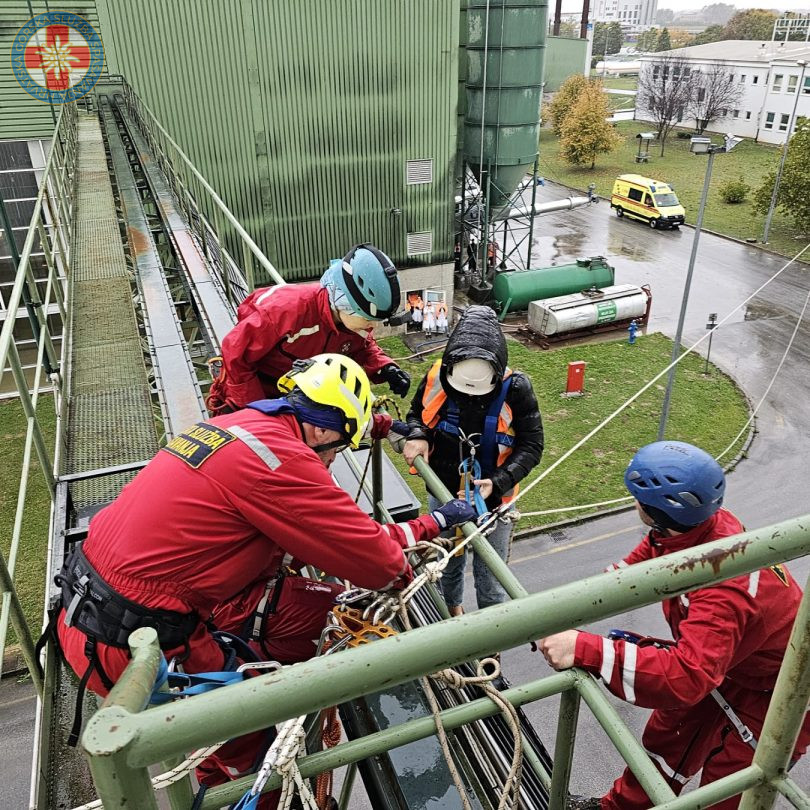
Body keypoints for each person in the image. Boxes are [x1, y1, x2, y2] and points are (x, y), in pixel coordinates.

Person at [54, 354, 476, 802]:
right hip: (139, 645)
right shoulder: (280, 460)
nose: (332, 461)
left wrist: (384, 426)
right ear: (322, 432)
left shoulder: (242, 424)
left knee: (221, 734)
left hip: (87, 612)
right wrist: (434, 522)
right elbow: (381, 564)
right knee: (258, 754)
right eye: (337, 450)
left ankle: (224, 759)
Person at [538, 441, 810, 810]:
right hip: (733, 660)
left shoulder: (725, 586)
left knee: (731, 786)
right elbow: (635, 571)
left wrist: (585, 648)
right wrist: (562, 611)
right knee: (668, 740)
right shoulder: (691, 532)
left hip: (783, 687)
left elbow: (687, 677)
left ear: (653, 511)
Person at [403, 306, 543, 615]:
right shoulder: (439, 376)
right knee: (446, 562)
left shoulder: (515, 389)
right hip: (443, 492)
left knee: (491, 577)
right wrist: (418, 434)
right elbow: (417, 414)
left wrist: (498, 481)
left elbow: (532, 445)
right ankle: (452, 612)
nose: (469, 397)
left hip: (494, 502)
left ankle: (489, 634)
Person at [207, 243, 411, 414]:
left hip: (298, 395)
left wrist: (386, 368)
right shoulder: (286, 312)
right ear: (344, 302)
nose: (373, 326)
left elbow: (363, 347)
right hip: (256, 391)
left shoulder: (350, 324)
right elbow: (236, 353)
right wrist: (258, 411)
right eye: (368, 318)